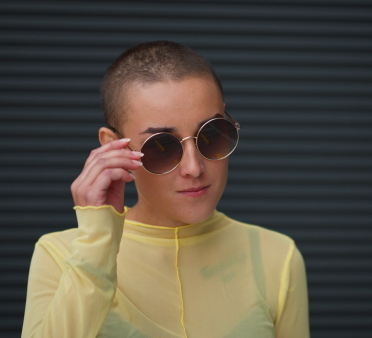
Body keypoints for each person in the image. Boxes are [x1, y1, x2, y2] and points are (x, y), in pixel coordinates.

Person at [21, 40, 309, 337]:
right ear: (113, 147)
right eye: (161, 147)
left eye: (211, 135)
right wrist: (97, 244)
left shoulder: (277, 256)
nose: (193, 168)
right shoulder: (60, 256)